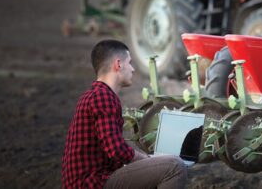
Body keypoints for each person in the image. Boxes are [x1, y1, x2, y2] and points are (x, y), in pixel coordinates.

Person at [61, 39, 187, 189]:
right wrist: (147, 158)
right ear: (118, 64)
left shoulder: (93, 95)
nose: (133, 69)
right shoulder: (103, 97)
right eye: (130, 63)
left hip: (90, 180)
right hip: (92, 183)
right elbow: (117, 150)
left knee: (155, 170)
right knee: (174, 166)